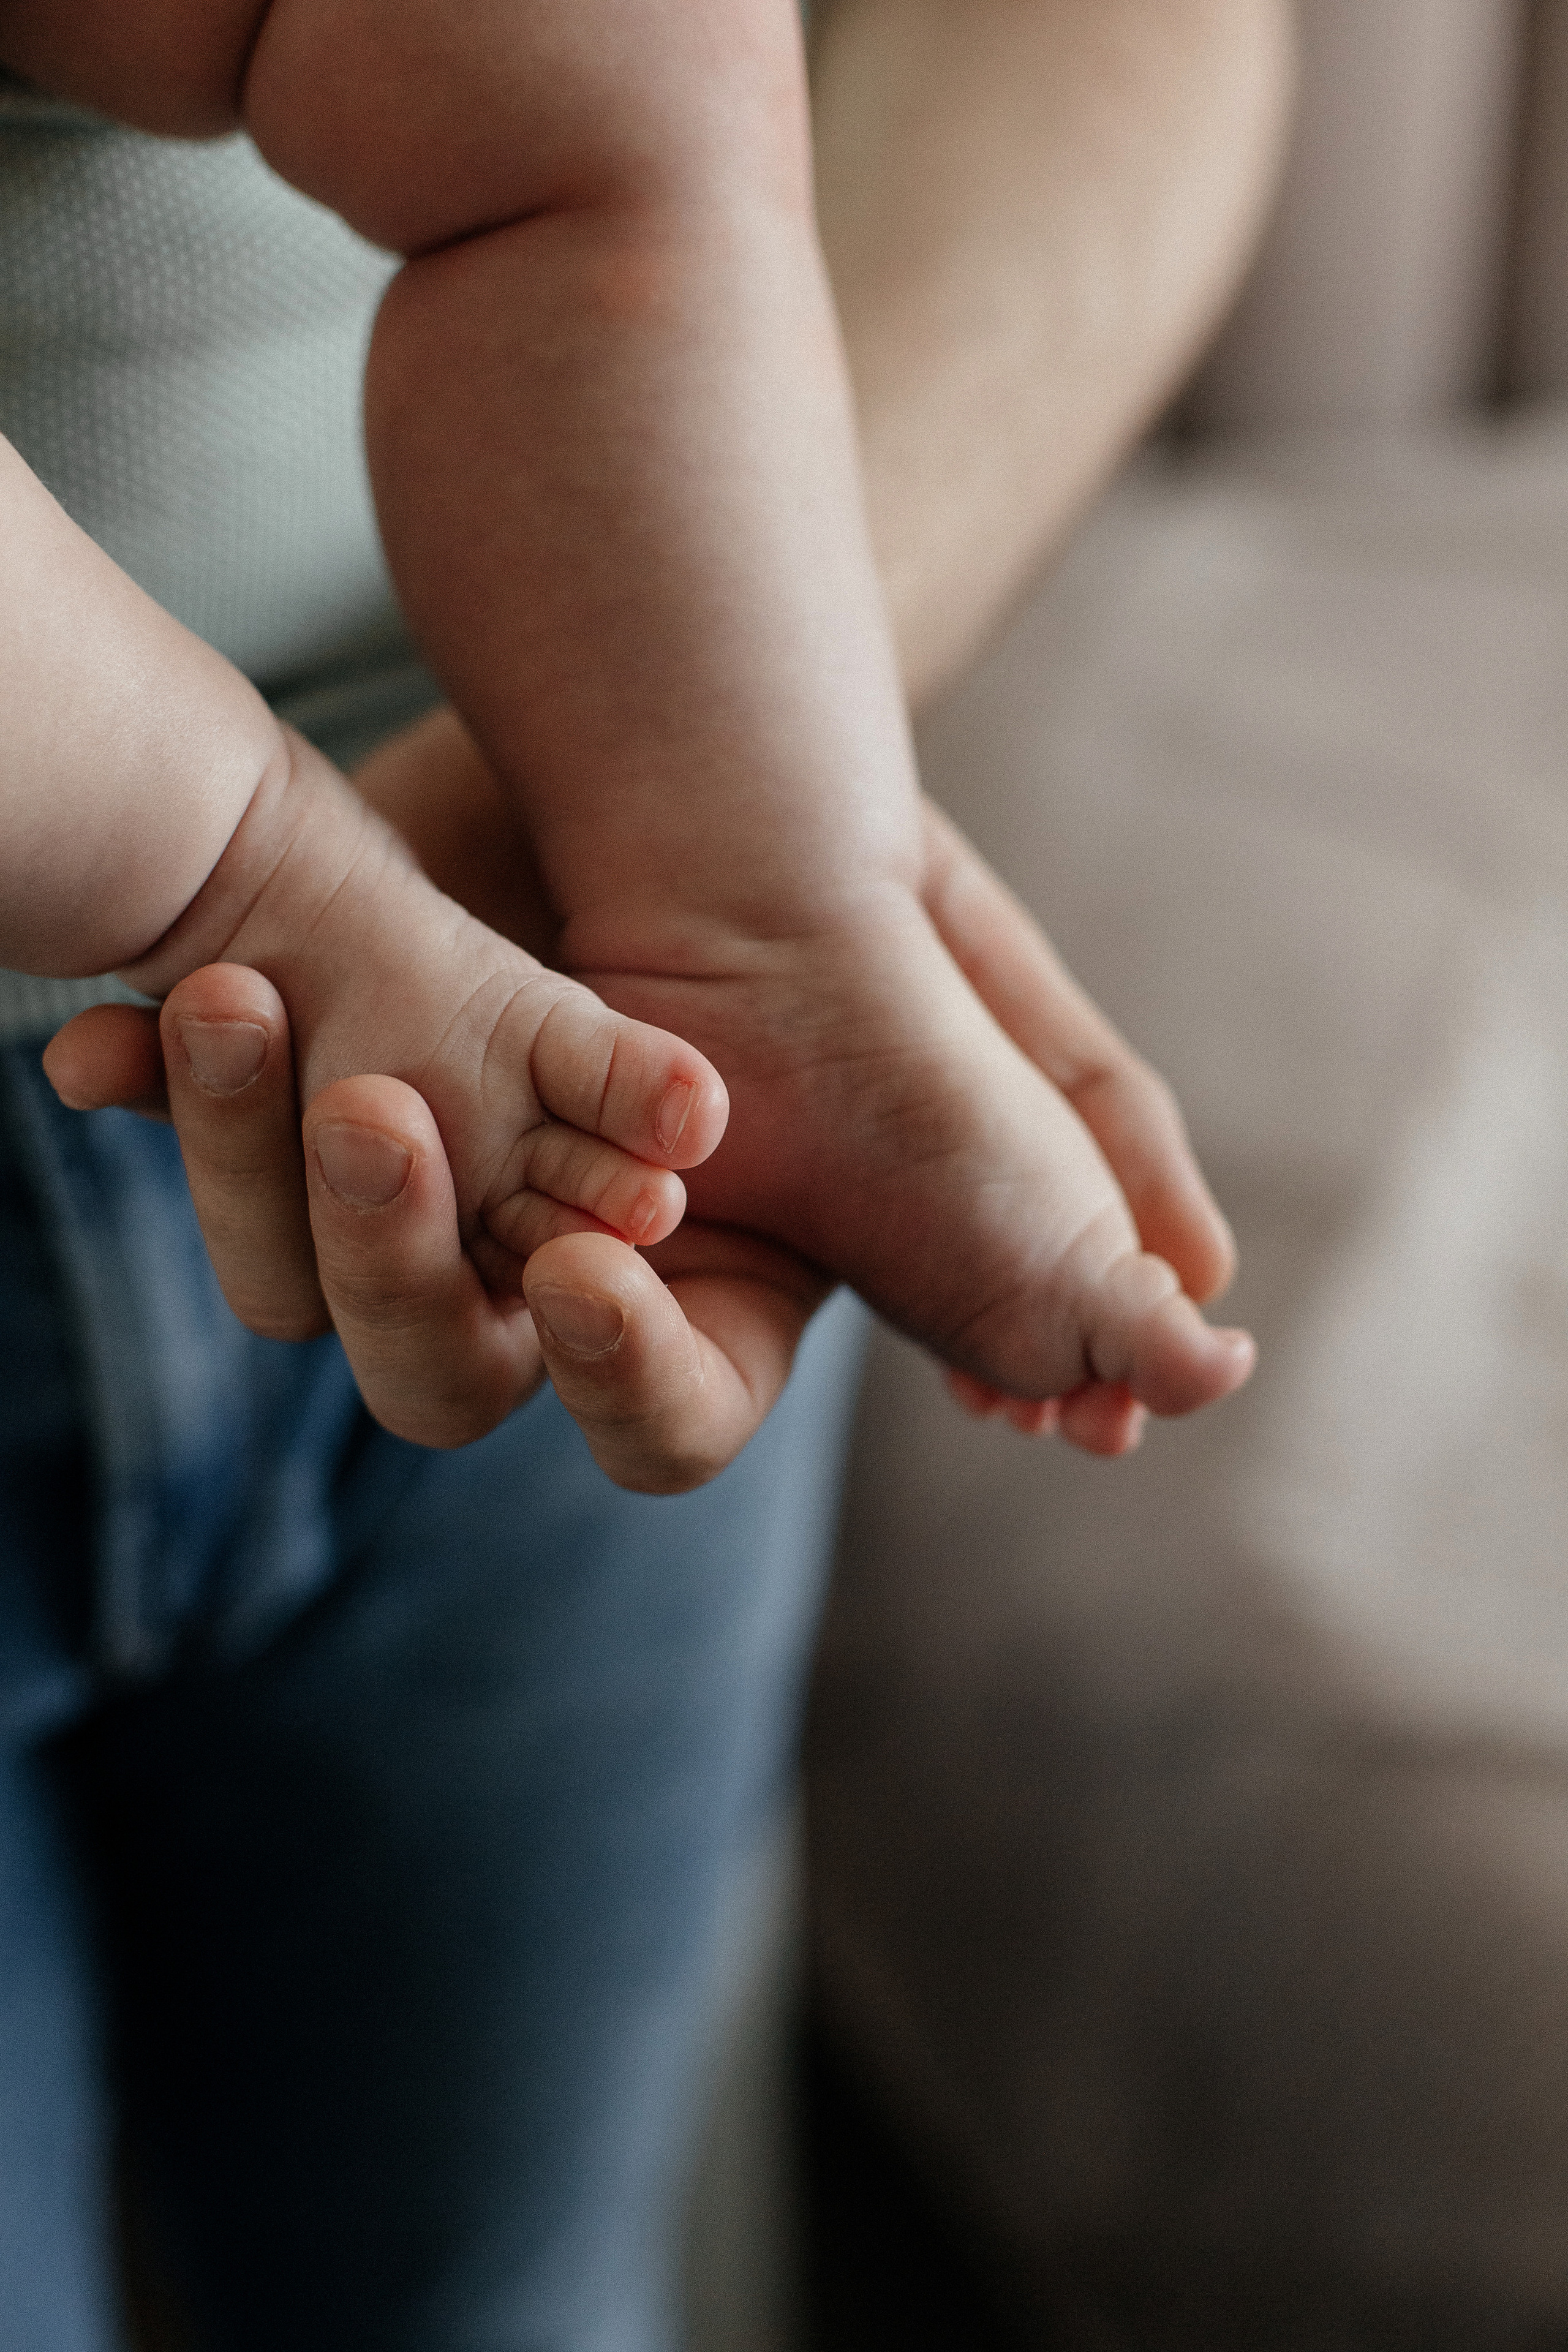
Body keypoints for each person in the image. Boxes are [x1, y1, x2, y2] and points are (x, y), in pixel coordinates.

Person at [0, 1, 1291, 2344]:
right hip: (459, 969)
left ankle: (755, 908)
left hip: (539, 964)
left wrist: (728, 814)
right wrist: (258, 881)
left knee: (499, 2292)